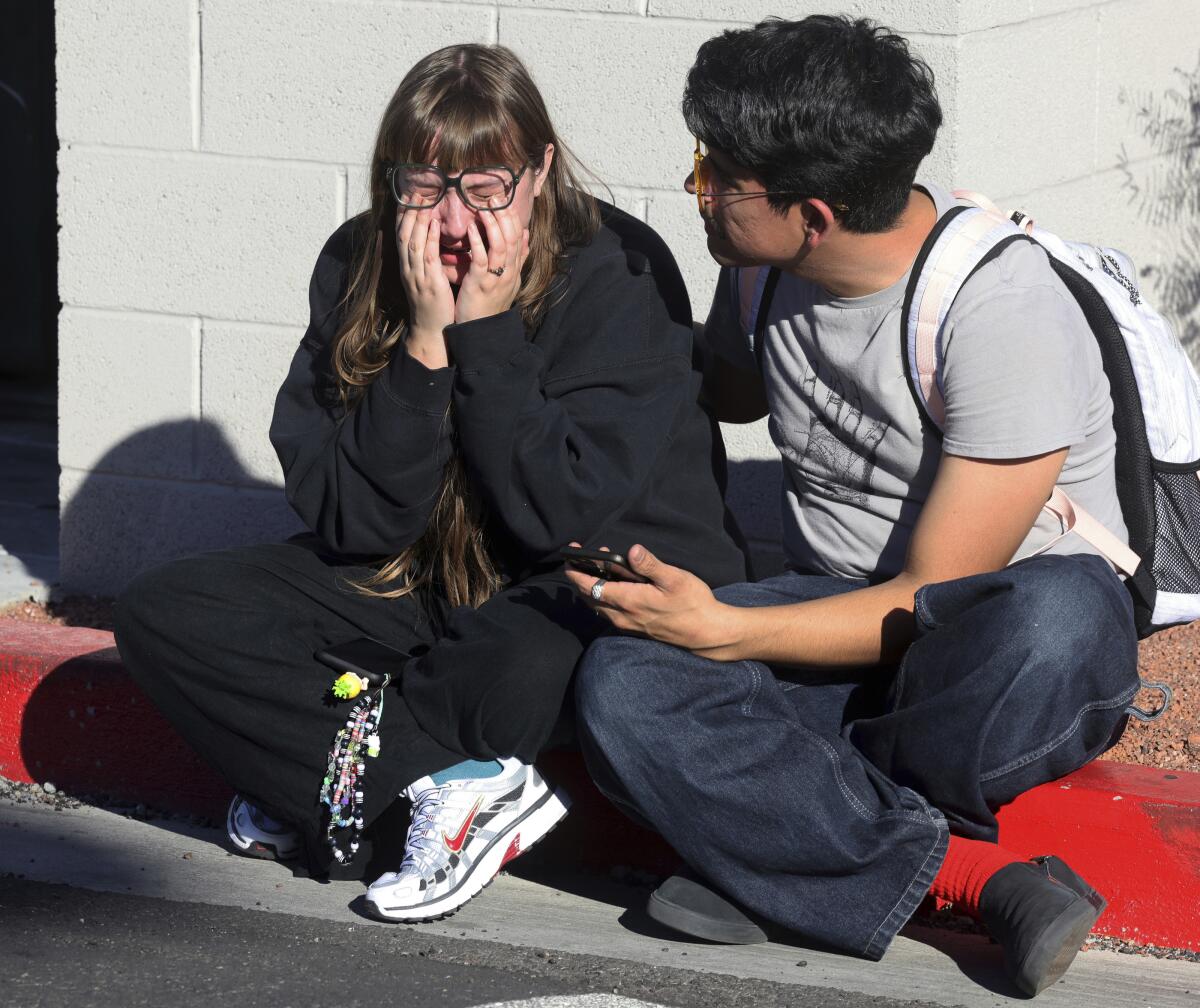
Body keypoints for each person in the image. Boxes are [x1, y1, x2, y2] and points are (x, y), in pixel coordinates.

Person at [567, 15, 1138, 997]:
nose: (696, 188)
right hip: (831, 612)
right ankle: (971, 875)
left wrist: (720, 634)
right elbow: (728, 389)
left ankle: (786, 850)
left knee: (1054, 621)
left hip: (977, 641)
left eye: (717, 177)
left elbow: (928, 598)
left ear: (815, 215)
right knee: (623, 681)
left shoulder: (1000, 310)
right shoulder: (758, 266)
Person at [114, 42, 747, 925]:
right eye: (423, 187)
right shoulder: (359, 261)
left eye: (487, 187)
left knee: (516, 663)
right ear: (390, 179)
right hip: (422, 581)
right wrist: (421, 345)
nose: (453, 221)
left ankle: (330, 790)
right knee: (167, 610)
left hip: (588, 582)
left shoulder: (617, 269)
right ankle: (395, 796)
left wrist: (486, 336)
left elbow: (564, 514)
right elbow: (354, 523)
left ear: (542, 173)